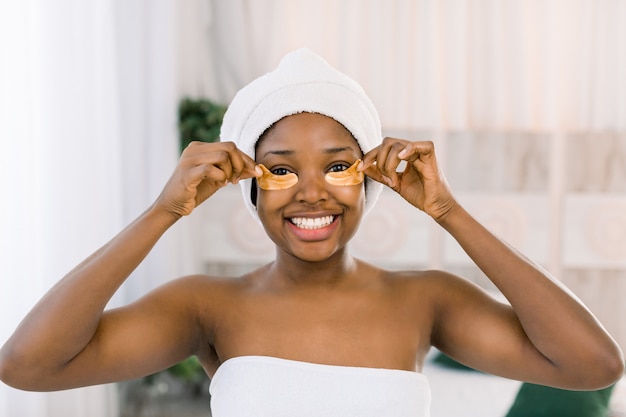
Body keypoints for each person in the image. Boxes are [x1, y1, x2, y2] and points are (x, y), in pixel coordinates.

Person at [0, 48, 623, 416]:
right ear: (246, 181)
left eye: (336, 164)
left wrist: (448, 212)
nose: (312, 192)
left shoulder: (425, 300)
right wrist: (162, 212)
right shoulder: (206, 306)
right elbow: (28, 366)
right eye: (280, 169)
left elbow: (594, 366)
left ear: (369, 178)